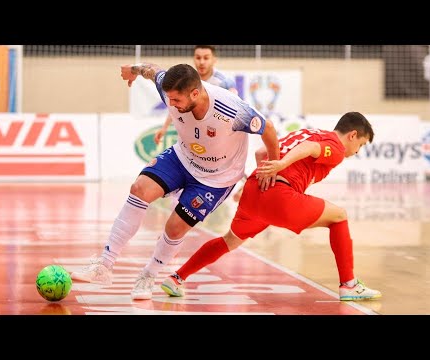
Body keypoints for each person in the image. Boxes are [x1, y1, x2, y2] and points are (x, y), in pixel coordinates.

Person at [71, 62, 280, 300]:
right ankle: (104, 266)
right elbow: (152, 70)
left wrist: (274, 164)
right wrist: (134, 69)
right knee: (139, 188)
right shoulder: (167, 87)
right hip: (183, 157)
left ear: (195, 93)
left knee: (175, 226)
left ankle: (148, 276)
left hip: (216, 178)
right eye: (169, 99)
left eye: (176, 100)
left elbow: (269, 129)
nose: (171, 105)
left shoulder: (231, 110)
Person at [160, 111, 382, 301]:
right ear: (352, 135)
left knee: (229, 240)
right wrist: (282, 165)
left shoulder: (309, 131)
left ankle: (176, 278)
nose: (357, 151)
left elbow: (261, 153)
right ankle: (349, 285)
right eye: (360, 145)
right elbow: (310, 148)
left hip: (254, 193)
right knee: (339, 216)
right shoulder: (335, 148)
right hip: (280, 197)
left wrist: (268, 174)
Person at [154, 45, 238, 145]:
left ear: (214, 60)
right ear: (194, 59)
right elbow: (177, 104)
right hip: (192, 129)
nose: (201, 62)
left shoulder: (224, 82)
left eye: (206, 58)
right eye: (198, 58)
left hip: (216, 133)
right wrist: (164, 127)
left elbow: (235, 107)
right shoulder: (187, 79)